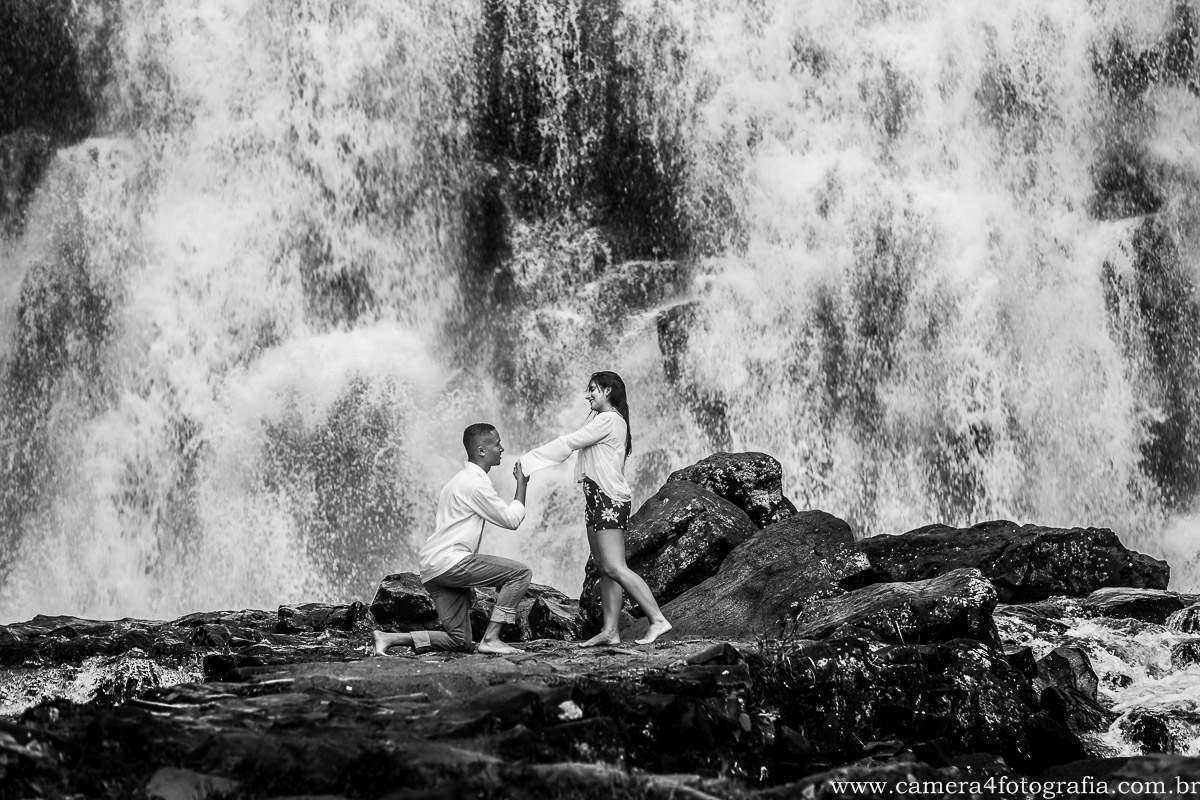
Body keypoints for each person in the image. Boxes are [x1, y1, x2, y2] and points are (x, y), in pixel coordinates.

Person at [518, 371, 672, 647]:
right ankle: (610, 630)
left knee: (615, 566)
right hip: (596, 499)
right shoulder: (608, 421)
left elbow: (568, 442)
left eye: (593, 389)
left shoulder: (609, 420)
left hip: (609, 500)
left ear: (608, 391)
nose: (587, 395)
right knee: (604, 567)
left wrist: (529, 461)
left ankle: (657, 619)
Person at [373, 423, 531, 657]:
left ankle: (388, 638)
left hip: (433, 570)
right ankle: (491, 638)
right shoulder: (474, 484)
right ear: (481, 450)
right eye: (497, 444)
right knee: (520, 573)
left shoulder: (456, 481)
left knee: (459, 641)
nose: (502, 449)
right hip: (451, 562)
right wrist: (522, 484)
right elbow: (511, 520)